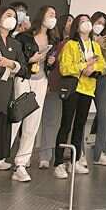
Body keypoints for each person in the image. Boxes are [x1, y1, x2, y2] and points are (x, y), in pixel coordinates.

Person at [54, 14, 106, 179]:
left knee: (80, 125)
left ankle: (75, 160)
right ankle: (58, 162)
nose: (87, 24)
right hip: (73, 88)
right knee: (66, 124)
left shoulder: (94, 45)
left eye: (88, 21)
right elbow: (65, 68)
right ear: (77, 26)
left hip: (88, 89)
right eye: (82, 21)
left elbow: (102, 64)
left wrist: (93, 68)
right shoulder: (70, 44)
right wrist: (84, 65)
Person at [10, 5, 58, 181]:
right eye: (50, 14)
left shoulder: (53, 39)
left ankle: (21, 163)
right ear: (42, 16)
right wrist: (31, 59)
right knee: (16, 119)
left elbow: (52, 64)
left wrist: (51, 61)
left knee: (33, 123)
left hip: (41, 80)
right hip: (24, 79)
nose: (53, 18)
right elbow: (18, 60)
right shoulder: (25, 37)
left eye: (55, 15)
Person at [0, 6, 29, 195]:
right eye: (8, 15)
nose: (12, 19)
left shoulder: (15, 43)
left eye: (14, 16)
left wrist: (11, 64)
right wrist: (9, 70)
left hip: (5, 97)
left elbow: (25, 70)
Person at [39, 14, 73, 169]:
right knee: (50, 120)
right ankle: (45, 156)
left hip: (71, 85)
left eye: (73, 21)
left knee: (68, 121)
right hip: (54, 84)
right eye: (68, 20)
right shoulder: (53, 42)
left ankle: (67, 152)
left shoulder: (77, 43)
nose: (71, 23)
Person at [89, 12, 106, 167]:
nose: (100, 26)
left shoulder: (104, 39)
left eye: (103, 24)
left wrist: (105, 47)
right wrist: (94, 43)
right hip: (85, 79)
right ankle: (79, 154)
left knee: (104, 115)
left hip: (101, 79)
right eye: (98, 22)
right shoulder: (84, 38)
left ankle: (99, 153)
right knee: (80, 116)